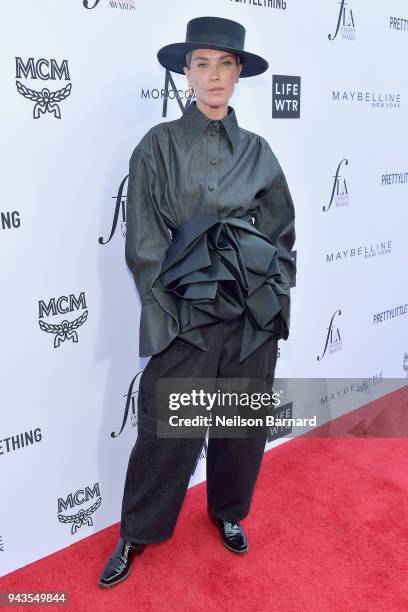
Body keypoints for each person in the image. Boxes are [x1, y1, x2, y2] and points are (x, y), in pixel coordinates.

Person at [99, 16, 296, 589]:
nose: (213, 75)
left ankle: (228, 512)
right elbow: (144, 244)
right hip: (185, 318)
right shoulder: (157, 147)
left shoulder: (259, 153)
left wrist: (272, 300)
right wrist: (174, 318)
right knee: (166, 431)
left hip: (251, 317)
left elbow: (282, 235)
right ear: (185, 72)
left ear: (239, 74)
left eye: (224, 64)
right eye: (202, 63)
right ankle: (137, 530)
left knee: (241, 428)